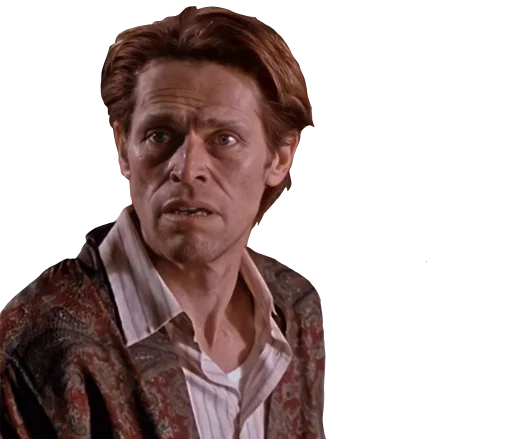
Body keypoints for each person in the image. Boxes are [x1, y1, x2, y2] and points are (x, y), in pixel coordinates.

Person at [0, 7, 325, 439]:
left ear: (280, 158)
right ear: (124, 149)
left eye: (224, 139)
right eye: (159, 135)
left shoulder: (299, 312)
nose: (187, 169)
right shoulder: (35, 352)